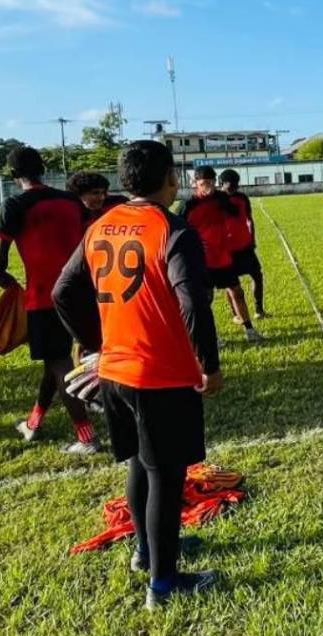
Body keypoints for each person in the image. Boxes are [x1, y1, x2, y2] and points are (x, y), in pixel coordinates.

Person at [54, 140, 221, 608]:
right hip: (160, 374)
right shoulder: (172, 229)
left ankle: (147, 552)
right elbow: (194, 303)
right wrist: (210, 366)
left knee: (140, 465)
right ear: (169, 177)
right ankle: (163, 584)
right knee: (167, 477)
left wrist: (98, 344)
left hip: (115, 372)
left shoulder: (100, 225)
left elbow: (62, 291)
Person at [0, 146, 99, 452]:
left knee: (59, 362)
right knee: (55, 362)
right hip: (82, 290)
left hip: (44, 296)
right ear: (43, 167)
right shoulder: (70, 201)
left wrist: (2, 278)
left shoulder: (14, 204)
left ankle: (86, 437)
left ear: (12, 174)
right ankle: (33, 422)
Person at [181, 167, 262, 343]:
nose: (208, 187)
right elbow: (178, 229)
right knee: (206, 299)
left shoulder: (221, 198)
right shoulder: (188, 204)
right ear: (195, 183)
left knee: (237, 291)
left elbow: (235, 213)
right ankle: (212, 336)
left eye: (211, 182)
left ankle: (249, 330)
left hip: (224, 256)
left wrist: (223, 199)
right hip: (203, 260)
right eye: (204, 183)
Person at [218, 169, 265, 319]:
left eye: (236, 185)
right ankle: (236, 314)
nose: (234, 188)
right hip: (228, 250)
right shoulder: (217, 200)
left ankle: (259, 309)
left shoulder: (242, 198)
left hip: (245, 246)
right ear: (222, 184)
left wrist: (253, 239)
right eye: (231, 186)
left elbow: (249, 219)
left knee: (257, 276)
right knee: (231, 284)